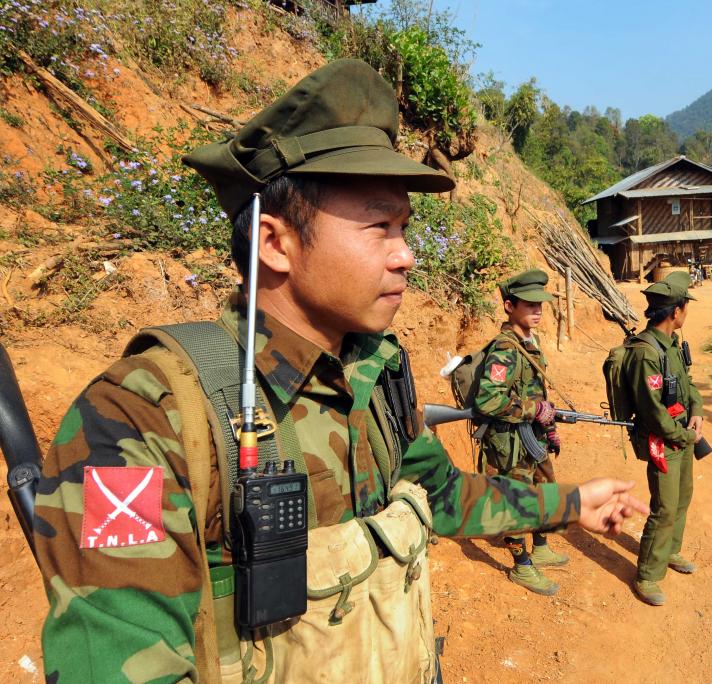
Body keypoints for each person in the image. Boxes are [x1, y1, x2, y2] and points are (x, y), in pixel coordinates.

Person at [33, 59, 648, 683]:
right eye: (380, 226)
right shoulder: (142, 417)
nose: (406, 255)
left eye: (404, 227)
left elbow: (443, 495)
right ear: (276, 243)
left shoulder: (375, 375)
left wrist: (570, 501)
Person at [472, 269, 567, 596]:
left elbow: (536, 392)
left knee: (545, 491)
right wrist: (534, 411)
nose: (538, 310)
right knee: (516, 504)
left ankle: (540, 545)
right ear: (510, 306)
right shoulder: (505, 349)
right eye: (530, 305)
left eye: (541, 303)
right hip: (508, 443)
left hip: (532, 436)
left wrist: (549, 424)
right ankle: (522, 566)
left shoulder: (530, 340)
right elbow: (487, 400)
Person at [623, 271, 704, 606]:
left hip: (682, 435)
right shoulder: (645, 354)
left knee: (683, 496)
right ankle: (648, 575)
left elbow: (688, 383)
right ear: (675, 312)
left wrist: (696, 409)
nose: (687, 313)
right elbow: (653, 412)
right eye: (686, 307)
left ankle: (670, 550)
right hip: (663, 440)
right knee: (665, 506)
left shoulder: (672, 345)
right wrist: (683, 435)